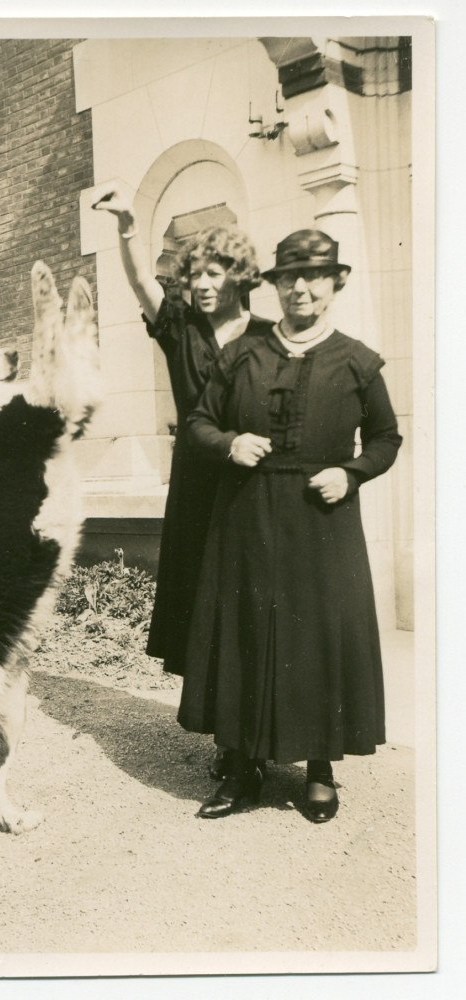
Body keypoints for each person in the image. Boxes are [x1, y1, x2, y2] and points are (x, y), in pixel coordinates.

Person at [180, 229, 402, 822]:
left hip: (321, 520)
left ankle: (320, 770)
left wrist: (352, 473)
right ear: (273, 285)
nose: (300, 288)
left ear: (336, 284)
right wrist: (229, 443)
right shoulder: (241, 356)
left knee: (317, 637)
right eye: (288, 278)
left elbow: (386, 438)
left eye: (314, 277)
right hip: (246, 515)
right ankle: (240, 764)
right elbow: (198, 421)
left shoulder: (357, 360)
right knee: (245, 633)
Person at [91, 185, 267, 775]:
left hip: (253, 486)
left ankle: (263, 733)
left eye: (215, 272)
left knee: (253, 608)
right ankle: (229, 741)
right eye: (194, 274)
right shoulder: (180, 329)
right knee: (208, 610)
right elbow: (142, 283)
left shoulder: (268, 335)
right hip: (197, 489)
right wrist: (126, 225)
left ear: (239, 274)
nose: (202, 283)